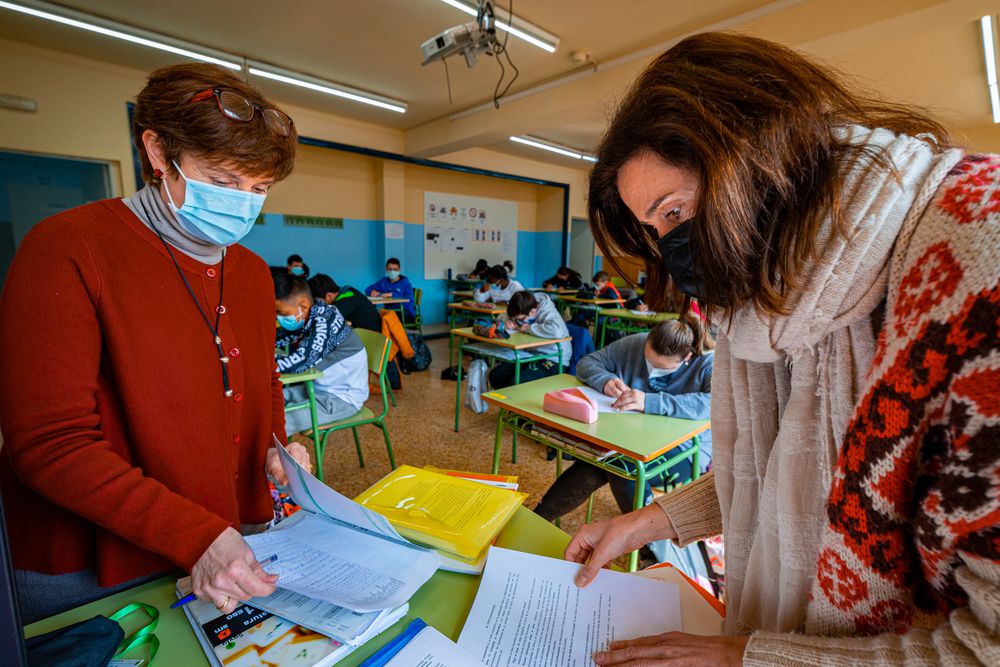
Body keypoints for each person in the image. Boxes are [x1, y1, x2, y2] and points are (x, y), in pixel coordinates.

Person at [570, 32, 999, 665]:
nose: (673, 251)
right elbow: (774, 475)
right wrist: (650, 522)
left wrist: (749, 659)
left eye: (675, 212)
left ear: (761, 159)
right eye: (656, 230)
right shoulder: (768, 302)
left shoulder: (980, 257)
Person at [0, 62, 313, 623]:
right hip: (93, 562)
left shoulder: (248, 271)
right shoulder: (68, 248)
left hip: (222, 536)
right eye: (223, 182)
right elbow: (50, 444)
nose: (243, 203)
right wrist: (194, 535)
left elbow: (259, 377)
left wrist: (275, 445)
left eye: (259, 189)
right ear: (159, 152)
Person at [534, 318, 712, 523]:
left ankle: (645, 536)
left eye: (661, 367)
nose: (651, 371)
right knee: (599, 460)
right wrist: (605, 380)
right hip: (632, 437)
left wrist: (649, 401)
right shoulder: (637, 342)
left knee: (618, 464)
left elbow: (714, 403)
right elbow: (586, 363)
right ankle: (537, 519)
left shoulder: (708, 361)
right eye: (648, 361)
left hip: (685, 448)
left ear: (687, 357)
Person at [274, 273, 369, 433]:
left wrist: (263, 365)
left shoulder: (324, 321)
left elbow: (302, 361)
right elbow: (281, 337)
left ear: (303, 305)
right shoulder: (309, 315)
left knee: (277, 424)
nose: (278, 318)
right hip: (317, 389)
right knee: (269, 401)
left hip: (341, 399)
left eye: (281, 313)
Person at [489, 290, 571, 389]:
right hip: (531, 354)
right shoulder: (522, 305)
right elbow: (504, 316)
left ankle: (516, 398)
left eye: (520, 319)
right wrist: (507, 321)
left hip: (554, 358)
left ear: (533, 312)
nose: (518, 321)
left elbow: (557, 331)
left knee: (517, 383)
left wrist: (527, 328)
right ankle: (510, 399)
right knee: (496, 376)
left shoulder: (547, 310)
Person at [309, 273, 381, 333]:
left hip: (371, 338)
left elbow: (323, 322)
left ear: (328, 296)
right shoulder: (347, 291)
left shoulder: (343, 302)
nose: (317, 304)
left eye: (317, 301)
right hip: (366, 333)